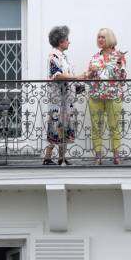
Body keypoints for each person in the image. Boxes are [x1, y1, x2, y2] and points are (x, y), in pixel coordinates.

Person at [86, 28, 127, 165]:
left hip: (113, 95)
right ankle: (98, 157)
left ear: (109, 38)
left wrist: (120, 65)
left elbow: (123, 78)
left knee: (114, 126)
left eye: (103, 37)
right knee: (97, 127)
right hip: (96, 96)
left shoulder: (118, 56)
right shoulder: (95, 57)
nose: (100, 39)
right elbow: (88, 77)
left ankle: (116, 156)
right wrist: (90, 72)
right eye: (98, 37)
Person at [43, 25, 80, 166]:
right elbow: (57, 75)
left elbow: (68, 75)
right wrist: (76, 77)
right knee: (56, 127)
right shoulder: (53, 56)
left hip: (66, 98)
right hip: (58, 99)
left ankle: (61, 158)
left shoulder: (63, 57)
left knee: (63, 127)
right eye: (67, 40)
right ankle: (47, 158)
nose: (69, 42)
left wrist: (81, 79)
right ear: (61, 42)